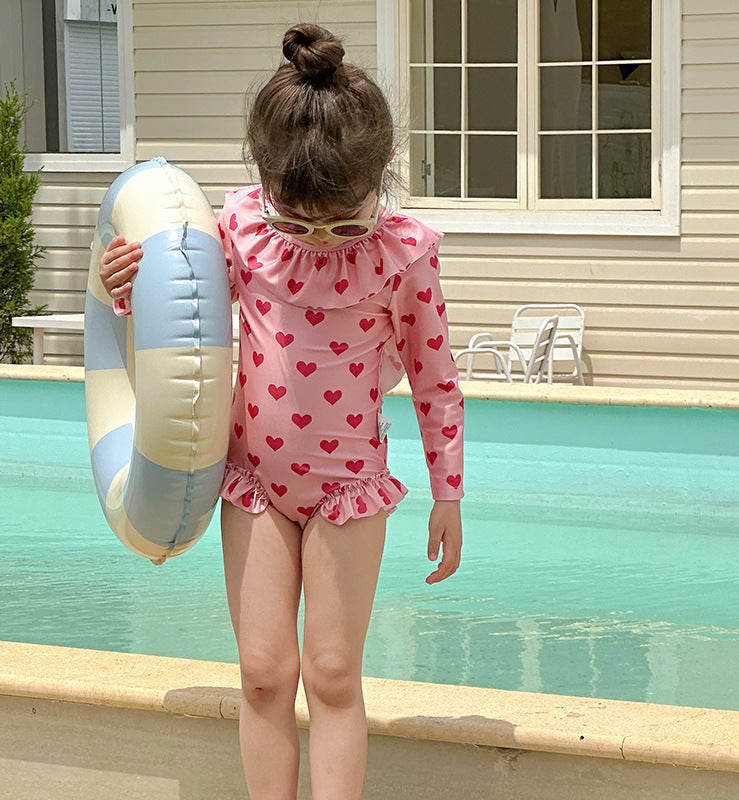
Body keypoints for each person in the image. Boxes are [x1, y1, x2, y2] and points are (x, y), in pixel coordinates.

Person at [98, 22, 464, 800]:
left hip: (347, 487)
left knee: (331, 672)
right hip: (256, 483)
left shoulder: (403, 253)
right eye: (297, 223)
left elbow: (436, 381)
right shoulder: (241, 229)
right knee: (263, 671)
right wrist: (124, 286)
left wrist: (449, 493)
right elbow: (181, 329)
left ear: (381, 176)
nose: (320, 240)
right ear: (264, 179)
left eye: (343, 221)